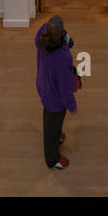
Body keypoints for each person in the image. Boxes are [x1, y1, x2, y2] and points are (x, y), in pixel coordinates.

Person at [35, 14, 79, 169]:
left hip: (44, 85)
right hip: (55, 99)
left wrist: (66, 38)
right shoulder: (61, 58)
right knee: (51, 125)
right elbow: (66, 89)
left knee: (52, 122)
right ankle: (52, 159)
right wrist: (72, 105)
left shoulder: (42, 33)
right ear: (60, 34)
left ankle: (57, 136)